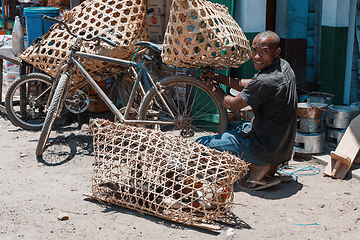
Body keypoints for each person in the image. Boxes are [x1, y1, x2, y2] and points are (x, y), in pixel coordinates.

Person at [197, 30, 298, 190]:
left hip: (265, 147)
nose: (257, 56)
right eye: (254, 50)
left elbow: (231, 104)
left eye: (264, 52)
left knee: (200, 144)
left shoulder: (266, 81)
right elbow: (252, 84)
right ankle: (270, 165)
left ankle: (258, 166)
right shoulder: (283, 67)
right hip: (281, 146)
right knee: (231, 125)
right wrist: (219, 78)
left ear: (276, 52)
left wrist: (213, 88)